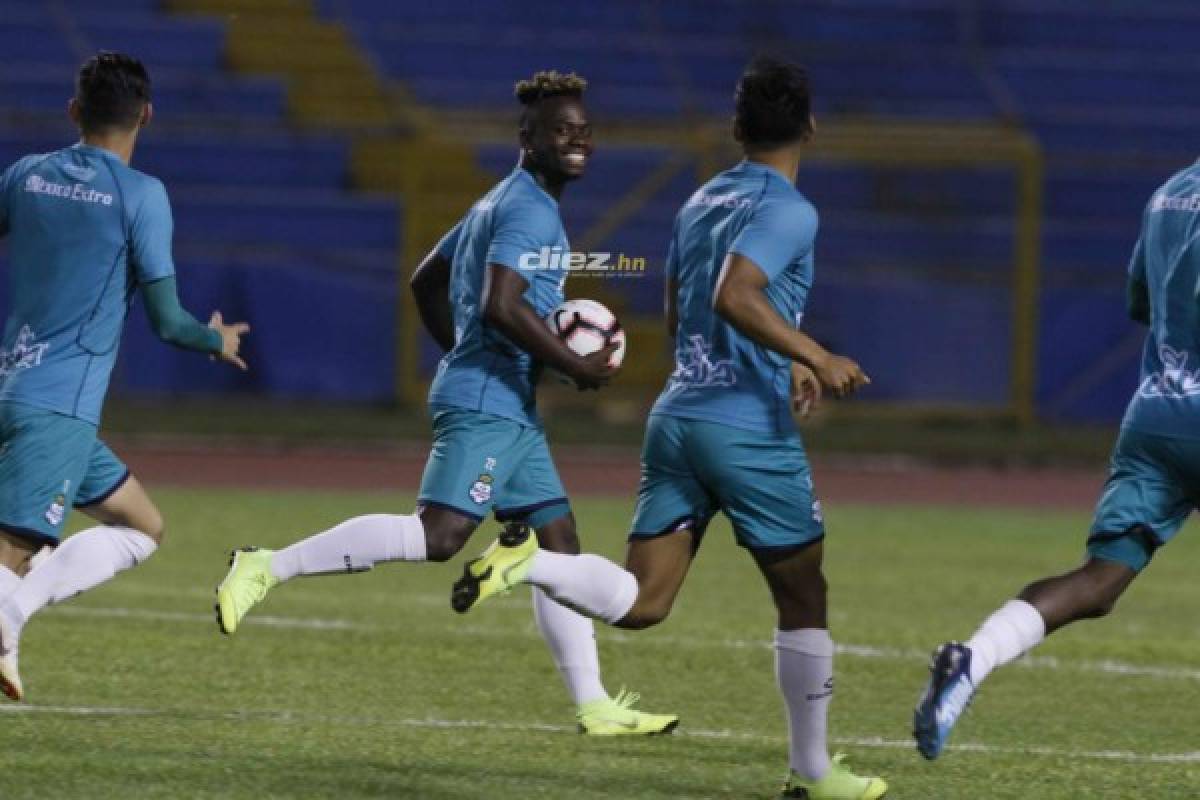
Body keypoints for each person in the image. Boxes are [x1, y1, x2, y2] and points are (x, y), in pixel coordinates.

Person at [452, 57, 887, 800]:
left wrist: (775, 362)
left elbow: (683, 298)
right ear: (811, 126)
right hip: (744, 431)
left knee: (643, 602)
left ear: (736, 127)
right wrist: (815, 354)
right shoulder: (791, 209)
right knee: (803, 595)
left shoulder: (702, 198)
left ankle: (527, 565)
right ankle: (814, 774)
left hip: (678, 415)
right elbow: (734, 293)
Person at [215, 70, 677, 736]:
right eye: (562, 130)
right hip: (489, 400)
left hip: (505, 399)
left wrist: (476, 353)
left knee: (561, 544)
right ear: (528, 137)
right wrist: (570, 362)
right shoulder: (528, 209)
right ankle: (266, 565)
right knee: (440, 536)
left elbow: (426, 281)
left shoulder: (499, 200)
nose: (577, 139)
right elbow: (501, 303)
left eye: (585, 130)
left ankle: (594, 705)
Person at [914, 159, 1200, 760]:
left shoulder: (1170, 192)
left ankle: (973, 660)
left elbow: (1140, 300)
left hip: (1155, 412)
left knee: (1099, 582)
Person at [0, 51, 250, 702]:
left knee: (141, 525)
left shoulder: (26, 175)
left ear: (75, 112)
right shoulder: (141, 196)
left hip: (15, 388)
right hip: (59, 407)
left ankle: (12, 619)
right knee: (11, 548)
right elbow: (168, 321)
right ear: (146, 114)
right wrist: (214, 339)